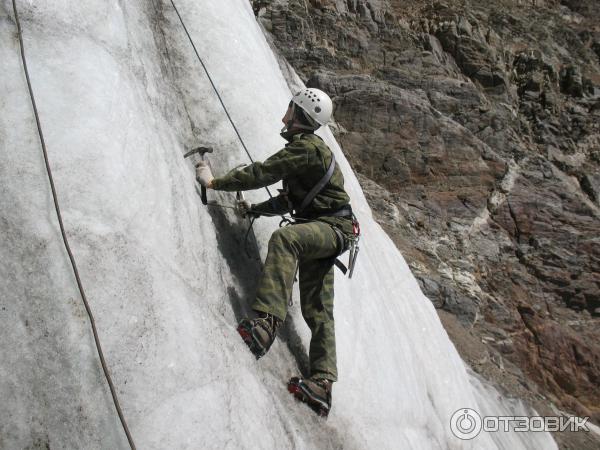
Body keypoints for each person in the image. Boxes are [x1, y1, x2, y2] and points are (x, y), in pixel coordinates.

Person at [195, 88, 354, 416]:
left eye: (291, 109)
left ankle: (266, 325)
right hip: (332, 230)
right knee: (318, 307)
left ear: (301, 115)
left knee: (286, 239)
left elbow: (261, 173)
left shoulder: (306, 149)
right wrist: (256, 210)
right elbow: (291, 201)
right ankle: (322, 385)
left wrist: (214, 183)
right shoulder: (310, 152)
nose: (286, 114)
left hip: (329, 229)